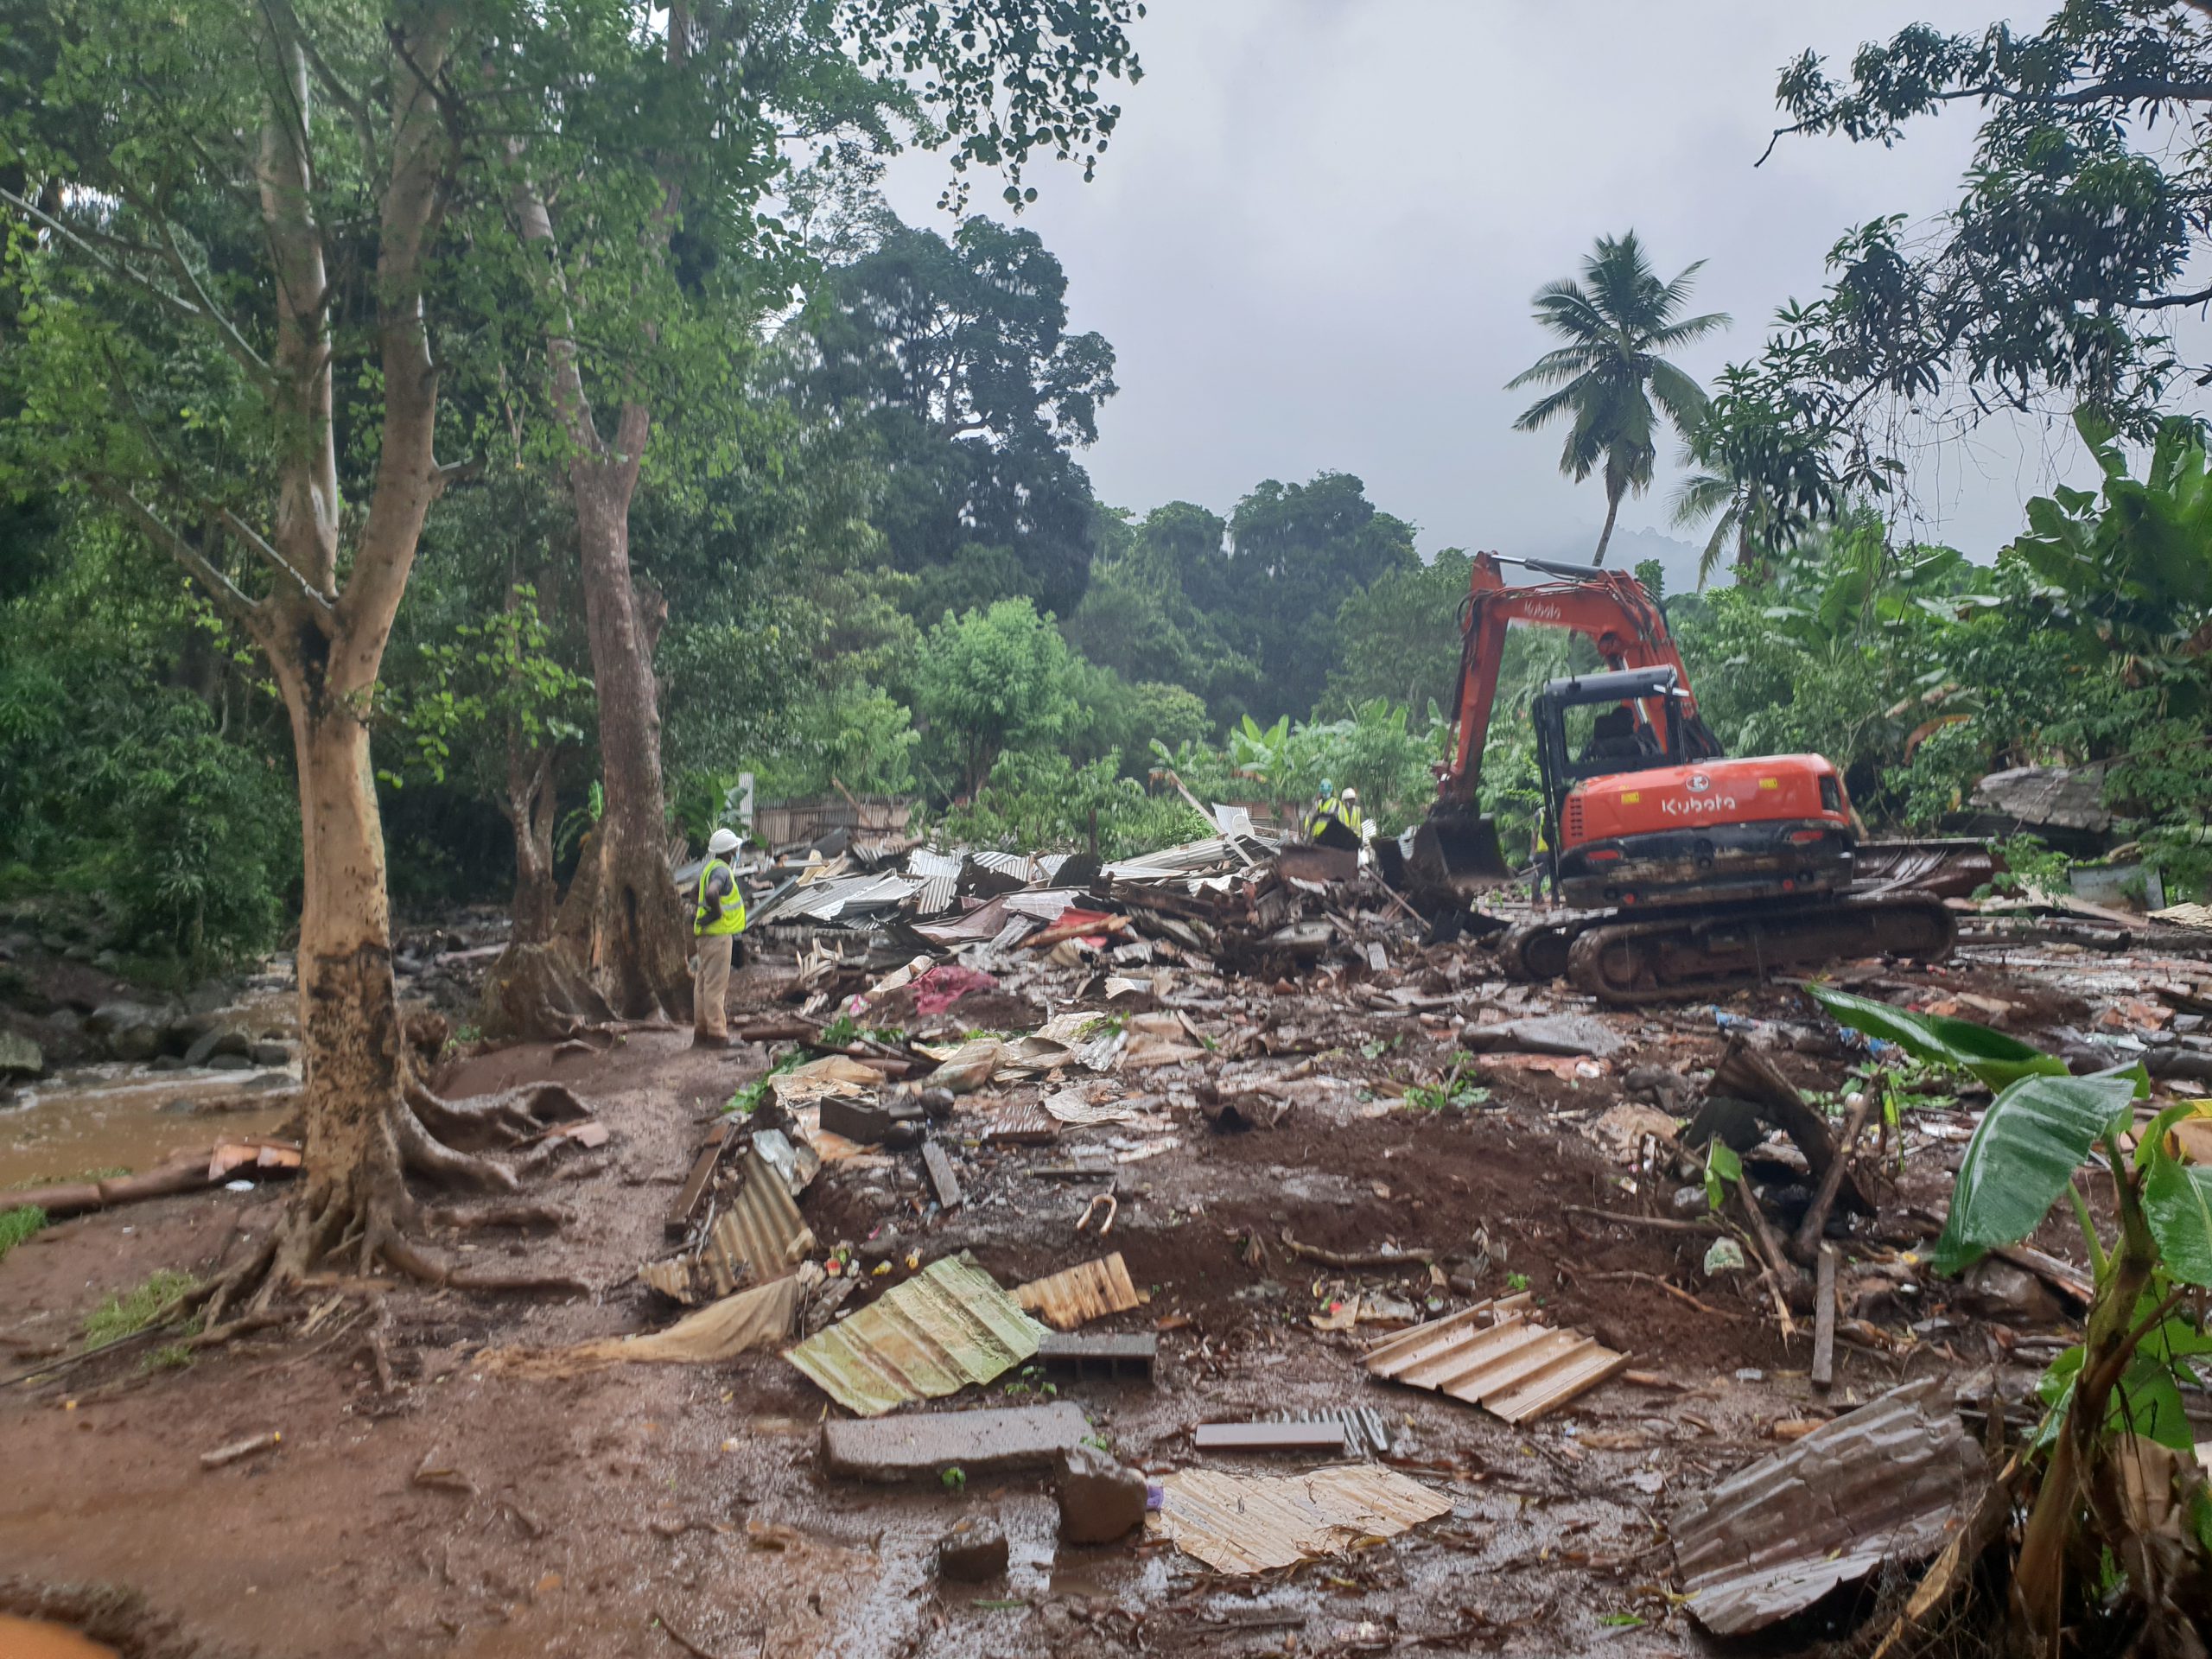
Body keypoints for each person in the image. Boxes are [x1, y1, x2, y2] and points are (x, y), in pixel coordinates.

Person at [691, 827, 746, 1048]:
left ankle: (701, 1032)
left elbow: (695, 892)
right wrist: (716, 913)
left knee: (702, 985)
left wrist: (701, 912)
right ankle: (717, 1036)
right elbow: (712, 893)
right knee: (715, 987)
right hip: (719, 935)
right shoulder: (722, 871)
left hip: (705, 936)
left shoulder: (709, 868)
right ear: (731, 850)